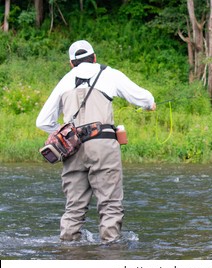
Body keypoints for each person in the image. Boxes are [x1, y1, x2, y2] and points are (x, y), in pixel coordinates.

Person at [36, 40, 156, 244]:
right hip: (103, 145)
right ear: (94, 58)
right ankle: (110, 251)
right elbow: (142, 97)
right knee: (110, 204)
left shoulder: (65, 81)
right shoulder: (109, 74)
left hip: (72, 150)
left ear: (71, 63)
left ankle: (68, 250)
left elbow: (43, 121)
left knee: (74, 207)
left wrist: (65, 133)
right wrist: (149, 104)